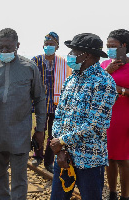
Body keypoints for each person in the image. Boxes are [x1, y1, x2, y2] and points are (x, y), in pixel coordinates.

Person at [0, 28, 46, 200]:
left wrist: (40, 129)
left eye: (9, 47)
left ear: (18, 45)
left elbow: (39, 99)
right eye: (1, 47)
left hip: (20, 132)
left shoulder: (29, 67)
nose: (5, 51)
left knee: (19, 179)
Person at [50, 33, 118, 200]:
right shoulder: (71, 79)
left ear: (86, 55)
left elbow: (94, 124)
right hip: (64, 156)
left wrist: (62, 141)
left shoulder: (104, 82)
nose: (70, 56)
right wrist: (60, 149)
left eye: (74, 51)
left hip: (89, 160)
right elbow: (59, 115)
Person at [31, 32, 71, 173]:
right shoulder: (35, 60)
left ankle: (49, 161)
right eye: (46, 44)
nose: (48, 47)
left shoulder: (63, 63)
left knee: (53, 134)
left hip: (56, 104)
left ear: (57, 47)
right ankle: (37, 155)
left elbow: (68, 82)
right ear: (43, 45)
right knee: (39, 129)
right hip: (40, 102)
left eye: (51, 45)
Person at [101, 29, 129, 200]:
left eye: (114, 46)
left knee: (123, 159)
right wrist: (107, 72)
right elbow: (93, 86)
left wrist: (123, 91)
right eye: (108, 46)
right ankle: (112, 193)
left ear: (124, 46)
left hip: (124, 117)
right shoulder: (104, 65)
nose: (110, 49)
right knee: (109, 158)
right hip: (106, 117)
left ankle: (125, 196)